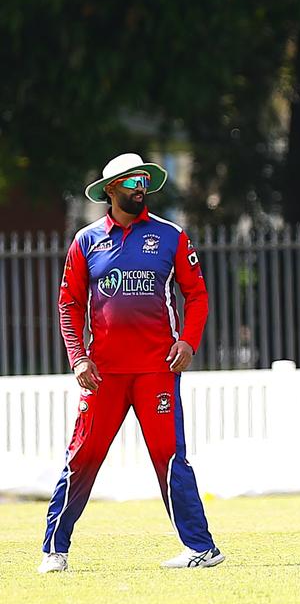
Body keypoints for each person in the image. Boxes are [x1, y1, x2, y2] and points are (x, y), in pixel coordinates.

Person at [37, 153, 225, 573]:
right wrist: (78, 357)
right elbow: (68, 303)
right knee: (82, 457)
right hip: (103, 373)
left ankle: (201, 548)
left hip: (158, 370)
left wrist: (189, 343)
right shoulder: (86, 241)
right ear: (110, 189)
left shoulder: (171, 235)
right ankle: (55, 549)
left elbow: (197, 294)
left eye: (143, 180)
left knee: (171, 457)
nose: (139, 187)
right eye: (130, 181)